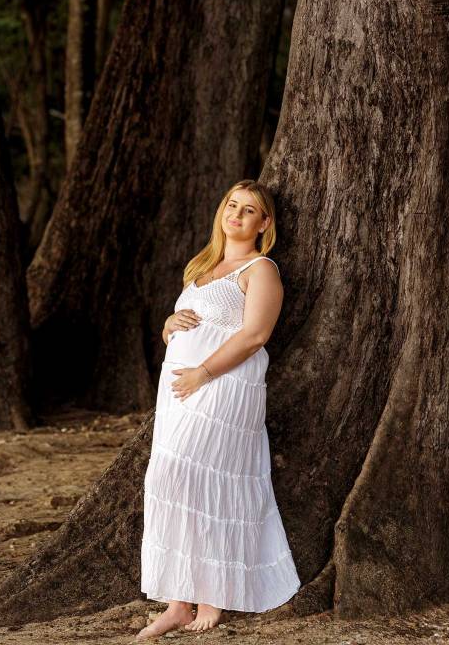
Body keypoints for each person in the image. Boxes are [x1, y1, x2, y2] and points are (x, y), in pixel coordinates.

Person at [137, 179, 300, 637]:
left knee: (208, 480)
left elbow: (255, 335)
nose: (237, 215)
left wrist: (204, 373)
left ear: (264, 223)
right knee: (168, 481)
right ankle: (177, 602)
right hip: (180, 395)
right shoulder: (202, 266)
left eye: (249, 210)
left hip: (223, 387)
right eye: (232, 205)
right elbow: (186, 325)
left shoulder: (260, 270)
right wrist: (169, 324)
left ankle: (212, 595)